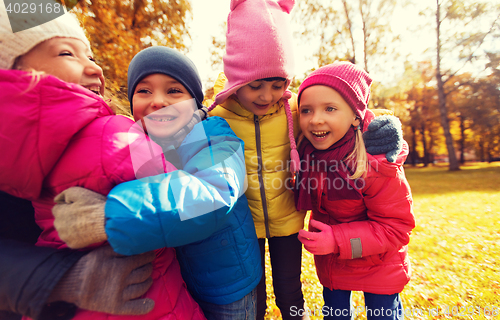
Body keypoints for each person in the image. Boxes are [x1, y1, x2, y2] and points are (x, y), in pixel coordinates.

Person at [0, 9, 206, 320]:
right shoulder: (114, 133)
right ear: (16, 72)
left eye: (91, 55)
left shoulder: (19, 149)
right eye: (67, 53)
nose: (95, 66)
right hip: (152, 301)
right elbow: (197, 197)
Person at [205, 0, 403, 319]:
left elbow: (346, 117)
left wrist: (385, 128)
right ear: (236, 77)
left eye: (278, 84)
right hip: (242, 223)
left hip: (287, 219)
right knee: (251, 291)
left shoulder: (297, 110)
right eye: (255, 85)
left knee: (289, 289)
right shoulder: (215, 116)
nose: (267, 95)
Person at [52, 46, 261, 320]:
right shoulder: (138, 145)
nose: (158, 101)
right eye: (144, 91)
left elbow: (216, 192)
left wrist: (110, 215)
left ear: (195, 100)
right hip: (180, 282)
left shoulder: (214, 134)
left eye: (174, 91)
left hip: (227, 286)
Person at [294, 62, 416, 320]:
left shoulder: (376, 163)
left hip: (379, 262)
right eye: (306, 110)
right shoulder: (308, 154)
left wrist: (336, 240)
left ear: (355, 116)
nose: (316, 119)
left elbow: (396, 227)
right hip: (335, 264)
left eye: (330, 108)